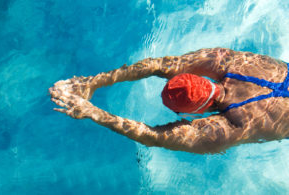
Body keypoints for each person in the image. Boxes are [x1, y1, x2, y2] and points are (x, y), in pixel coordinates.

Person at [49, 48, 289, 154]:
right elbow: (159, 65)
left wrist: (92, 112)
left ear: (199, 111)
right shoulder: (229, 62)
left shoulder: (231, 128)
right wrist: (92, 82)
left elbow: (153, 136)